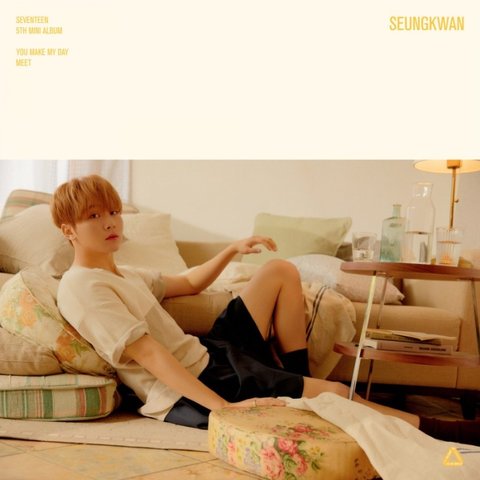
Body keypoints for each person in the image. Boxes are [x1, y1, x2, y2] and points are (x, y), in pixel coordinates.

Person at [52, 174, 479, 445]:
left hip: (210, 354)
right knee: (333, 394)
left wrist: (233, 248)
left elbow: (190, 283)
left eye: (113, 211)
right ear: (68, 229)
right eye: (94, 216)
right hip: (197, 383)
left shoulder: (122, 273)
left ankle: (298, 383)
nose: (110, 222)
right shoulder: (83, 285)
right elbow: (148, 355)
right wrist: (221, 408)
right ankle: (444, 431)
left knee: (278, 270)